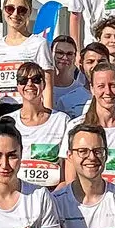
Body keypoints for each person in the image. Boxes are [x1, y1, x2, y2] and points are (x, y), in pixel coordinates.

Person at [8, 61, 71, 189]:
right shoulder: (8, 121)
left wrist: (53, 196)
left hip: (53, 193)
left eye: (36, 79)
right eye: (23, 80)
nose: (29, 84)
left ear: (44, 84)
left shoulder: (62, 121)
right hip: (17, 192)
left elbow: (67, 175)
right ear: (17, 86)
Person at [50, 34, 90, 118]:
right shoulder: (41, 88)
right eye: (59, 53)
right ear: (50, 54)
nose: (65, 57)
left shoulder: (80, 89)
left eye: (69, 54)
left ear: (75, 57)